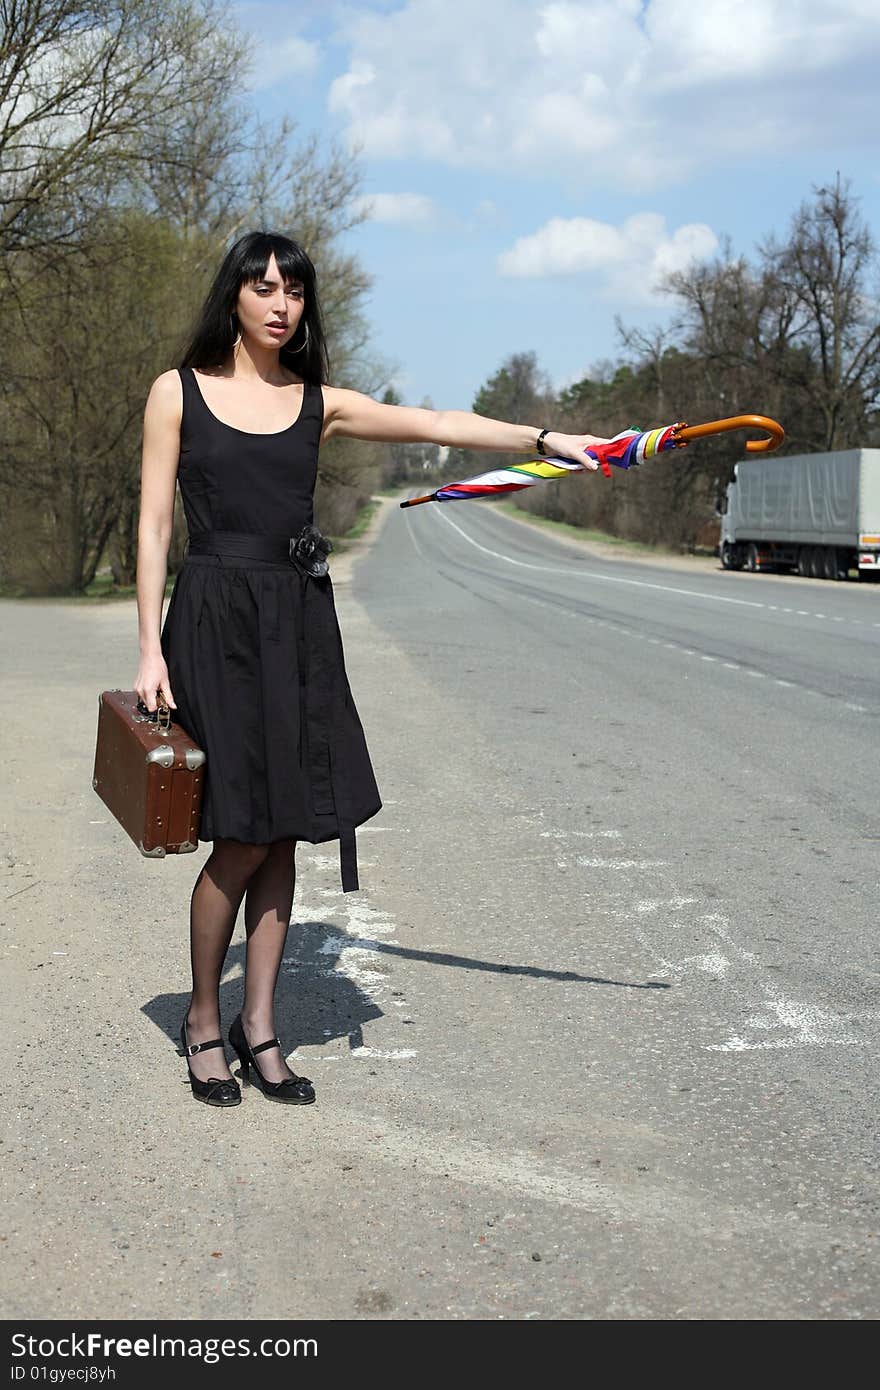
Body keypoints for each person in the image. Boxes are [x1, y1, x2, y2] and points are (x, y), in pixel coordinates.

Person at [135, 230, 607, 1109]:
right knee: (240, 831)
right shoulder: (178, 392)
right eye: (263, 287)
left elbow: (438, 425)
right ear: (232, 297)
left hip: (299, 620)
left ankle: (259, 1026)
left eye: (296, 291)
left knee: (285, 834)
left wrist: (547, 435)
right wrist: (148, 646)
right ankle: (204, 1018)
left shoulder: (321, 402)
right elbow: (156, 525)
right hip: (213, 619)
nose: (281, 304)